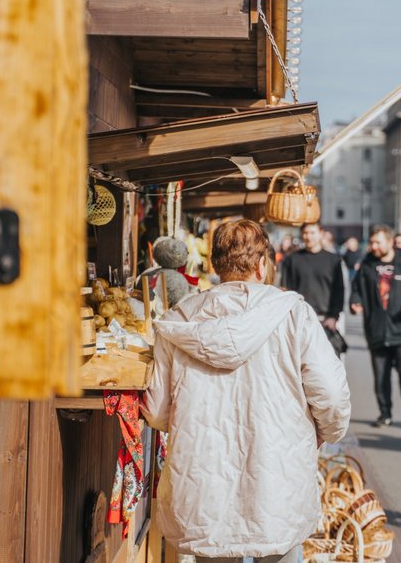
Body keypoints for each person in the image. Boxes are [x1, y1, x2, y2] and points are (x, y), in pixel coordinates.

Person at [144, 219, 351, 561]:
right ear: (261, 264)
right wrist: (325, 432)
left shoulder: (180, 321)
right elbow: (329, 393)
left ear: (215, 266)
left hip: (204, 486)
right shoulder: (294, 314)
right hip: (278, 481)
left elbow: (156, 410)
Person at [350, 225, 401, 429]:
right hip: (377, 330)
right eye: (372, 242)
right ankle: (385, 413)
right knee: (381, 376)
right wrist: (355, 302)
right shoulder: (367, 264)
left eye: (377, 242)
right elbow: (356, 289)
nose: (373, 246)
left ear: (390, 242)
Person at [281, 223, 348, 358]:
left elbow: (339, 290)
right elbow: (286, 290)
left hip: (327, 320)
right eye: (306, 233)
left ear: (321, 234)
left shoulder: (333, 260)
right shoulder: (292, 260)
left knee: (330, 366)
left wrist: (334, 317)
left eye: (312, 233)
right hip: (300, 320)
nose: (309, 236)